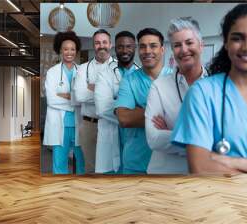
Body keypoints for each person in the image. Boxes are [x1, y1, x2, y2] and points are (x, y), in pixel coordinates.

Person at [171, 4, 247, 175]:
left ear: (201, 46)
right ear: (225, 43)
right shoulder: (203, 92)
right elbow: (200, 167)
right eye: (237, 38)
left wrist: (232, 161)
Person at [145, 18, 208, 174]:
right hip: (164, 175)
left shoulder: (219, 87)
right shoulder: (159, 87)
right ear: (173, 51)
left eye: (189, 42)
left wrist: (173, 133)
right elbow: (153, 138)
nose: (184, 49)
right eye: (177, 45)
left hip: (205, 176)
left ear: (201, 45)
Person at [115, 28, 173, 174]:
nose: (147, 51)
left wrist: (140, 111)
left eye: (153, 46)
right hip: (136, 162)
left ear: (162, 49)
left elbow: (186, 119)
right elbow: (124, 118)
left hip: (170, 160)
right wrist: (167, 112)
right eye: (142, 46)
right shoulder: (129, 80)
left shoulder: (176, 78)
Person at [94, 31, 139, 174]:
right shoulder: (104, 74)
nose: (125, 50)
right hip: (111, 134)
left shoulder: (141, 73)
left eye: (129, 46)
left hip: (135, 137)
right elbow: (102, 108)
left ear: (135, 48)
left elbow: (149, 105)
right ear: (115, 48)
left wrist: (118, 104)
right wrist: (134, 112)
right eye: (120, 47)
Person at [43, 31, 85, 175]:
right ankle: (60, 191)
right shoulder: (53, 72)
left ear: (76, 51)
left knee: (82, 161)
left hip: (79, 124)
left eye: (72, 49)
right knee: (59, 162)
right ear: (60, 50)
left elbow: (86, 97)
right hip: (59, 124)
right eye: (66, 49)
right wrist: (75, 99)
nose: (69, 52)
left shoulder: (82, 71)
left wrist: (67, 96)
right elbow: (51, 99)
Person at [74, 29, 115, 173]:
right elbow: (79, 95)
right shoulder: (83, 68)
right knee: (90, 168)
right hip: (89, 125)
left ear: (110, 44)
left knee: (112, 166)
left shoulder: (118, 67)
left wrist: (92, 88)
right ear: (93, 45)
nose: (101, 45)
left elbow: (120, 96)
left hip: (112, 124)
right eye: (97, 43)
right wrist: (107, 92)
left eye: (104, 42)